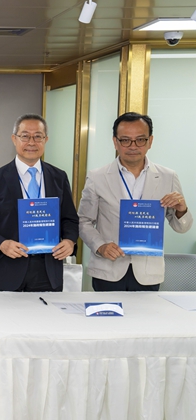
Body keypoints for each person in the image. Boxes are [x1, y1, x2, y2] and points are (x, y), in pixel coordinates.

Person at [78, 112, 192, 291]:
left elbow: (181, 228)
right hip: (108, 268)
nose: (133, 146)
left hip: (148, 272)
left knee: (146, 311)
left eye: (140, 140)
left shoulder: (167, 177)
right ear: (115, 142)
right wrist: (100, 246)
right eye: (125, 140)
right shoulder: (97, 177)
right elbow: (83, 220)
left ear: (150, 141)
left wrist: (181, 209)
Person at [0, 114, 79, 292]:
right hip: (7, 269)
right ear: (14, 139)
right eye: (25, 136)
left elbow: (70, 219)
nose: (31, 142)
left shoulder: (59, 177)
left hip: (48, 270)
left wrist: (70, 241)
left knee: (46, 311)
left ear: (46, 140)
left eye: (38, 136)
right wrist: (2, 244)